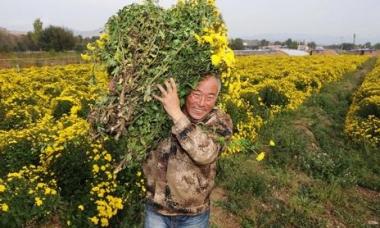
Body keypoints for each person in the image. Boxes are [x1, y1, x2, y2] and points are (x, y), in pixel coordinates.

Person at [143, 74, 233, 228]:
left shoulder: (220, 121)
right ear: (185, 92)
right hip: (156, 210)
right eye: (196, 94)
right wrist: (115, 94)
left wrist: (176, 114)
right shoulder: (158, 112)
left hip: (193, 215)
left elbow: (205, 154)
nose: (202, 103)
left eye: (210, 97)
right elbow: (115, 130)